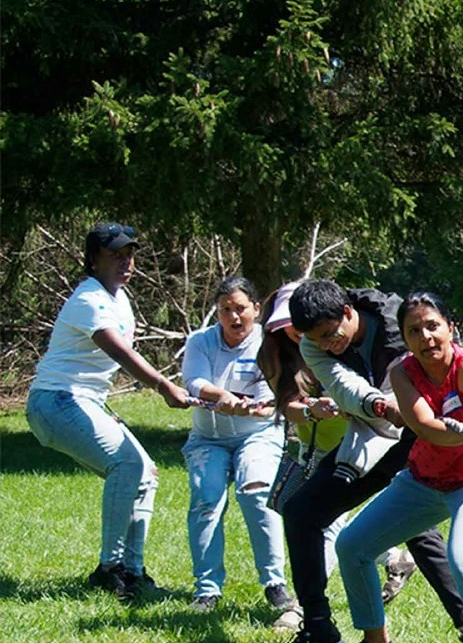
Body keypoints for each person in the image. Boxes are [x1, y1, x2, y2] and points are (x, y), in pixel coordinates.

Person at [326, 292, 463, 643]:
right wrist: (458, 433)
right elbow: (423, 425)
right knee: (352, 546)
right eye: (414, 330)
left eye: (433, 326)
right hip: (424, 479)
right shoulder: (403, 372)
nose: (426, 337)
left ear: (451, 328)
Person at [280, 279, 463, 643]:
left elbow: (435, 371)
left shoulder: (399, 324)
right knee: (301, 511)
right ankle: (320, 630)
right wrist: (378, 405)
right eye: (317, 339)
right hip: (370, 432)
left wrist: (404, 410)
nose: (326, 344)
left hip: (424, 432)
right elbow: (342, 385)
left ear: (349, 313)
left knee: (419, 531)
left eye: (330, 334)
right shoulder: (312, 341)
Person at [25, 221, 191, 601]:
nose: (125, 261)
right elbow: (118, 351)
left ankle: (132, 572)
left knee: (146, 472)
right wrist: (163, 385)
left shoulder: (120, 298)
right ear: (93, 260)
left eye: (130, 253)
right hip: (55, 401)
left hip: (83, 401)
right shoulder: (89, 298)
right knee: (127, 465)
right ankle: (109, 568)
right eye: (115, 254)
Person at [179, 276, 295, 616]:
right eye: (225, 310)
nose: (233, 317)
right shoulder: (200, 341)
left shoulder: (268, 343)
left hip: (257, 433)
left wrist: (252, 405)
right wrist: (222, 396)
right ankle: (207, 590)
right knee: (206, 499)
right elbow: (195, 382)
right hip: (207, 439)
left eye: (240, 309)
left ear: (256, 310)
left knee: (255, 492)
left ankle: (274, 583)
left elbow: (270, 394)